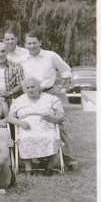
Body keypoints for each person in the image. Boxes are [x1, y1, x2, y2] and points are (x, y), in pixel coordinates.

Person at [18, 32, 76, 169]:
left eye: (34, 42)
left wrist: (60, 86)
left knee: (57, 125)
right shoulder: (21, 59)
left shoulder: (51, 56)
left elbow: (66, 71)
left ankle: (69, 160)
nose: (32, 46)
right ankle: (36, 159)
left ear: (40, 42)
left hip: (48, 94)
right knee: (33, 125)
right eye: (29, 43)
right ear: (25, 45)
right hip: (30, 96)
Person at [7, 77, 65, 174]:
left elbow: (62, 116)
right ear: (24, 89)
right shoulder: (19, 100)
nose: (30, 90)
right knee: (24, 138)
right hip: (26, 128)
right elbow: (10, 117)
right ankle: (28, 168)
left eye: (33, 87)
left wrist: (52, 118)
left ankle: (49, 168)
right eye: (27, 88)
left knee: (51, 138)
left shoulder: (50, 99)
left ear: (39, 87)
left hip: (46, 126)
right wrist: (19, 122)